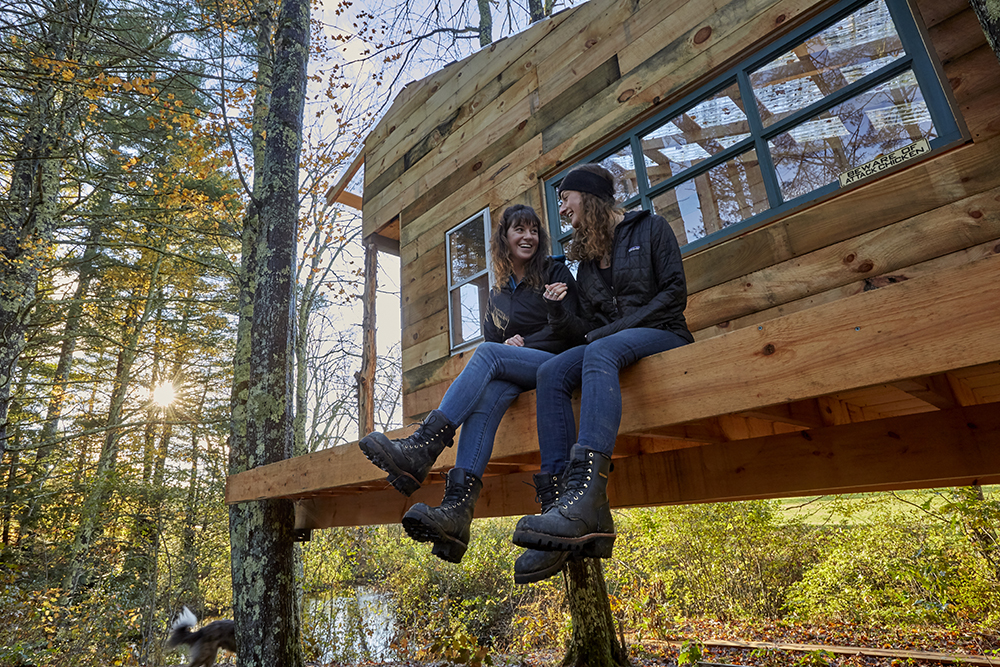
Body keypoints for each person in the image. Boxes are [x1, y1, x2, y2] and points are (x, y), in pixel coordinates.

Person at [358, 204, 581, 565]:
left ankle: (423, 448)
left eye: (534, 231)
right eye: (519, 230)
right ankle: (457, 514)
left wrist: (518, 346)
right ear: (504, 238)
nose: (528, 237)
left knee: (488, 354)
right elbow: (495, 341)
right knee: (487, 390)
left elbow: (574, 330)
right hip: (515, 375)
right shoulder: (496, 294)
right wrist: (506, 346)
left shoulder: (554, 271)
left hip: (555, 365)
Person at [511, 164, 693, 582]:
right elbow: (584, 332)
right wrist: (558, 310)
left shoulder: (652, 228)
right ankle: (559, 510)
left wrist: (607, 334)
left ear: (588, 196)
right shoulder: (589, 264)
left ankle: (588, 497)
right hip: (613, 347)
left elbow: (673, 295)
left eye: (565, 199)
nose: (562, 209)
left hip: (665, 334)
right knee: (552, 373)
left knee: (599, 351)